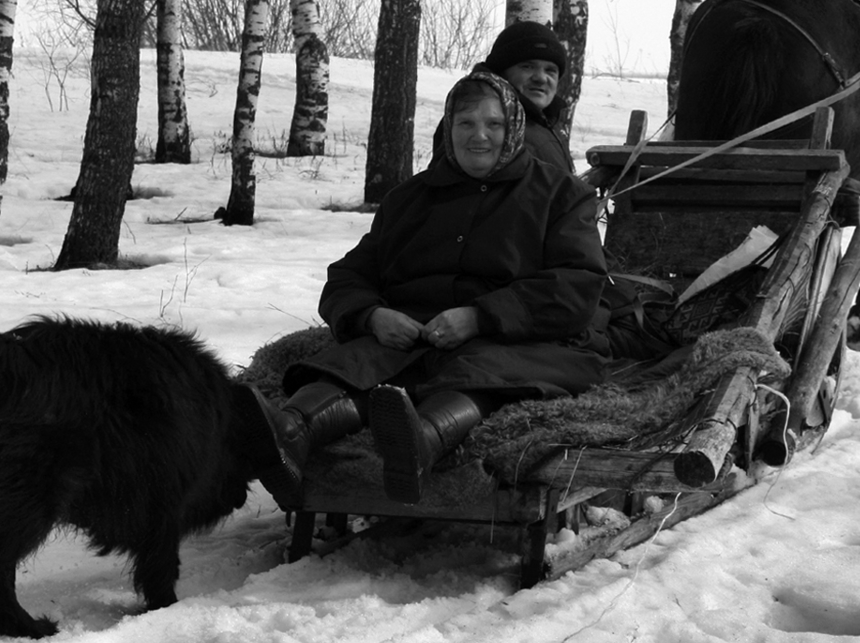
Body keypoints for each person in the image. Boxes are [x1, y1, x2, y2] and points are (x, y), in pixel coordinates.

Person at [253, 70, 608, 507]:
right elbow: (349, 275)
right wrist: (372, 315)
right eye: (466, 124)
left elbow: (578, 282)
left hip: (516, 338)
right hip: (414, 335)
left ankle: (418, 444)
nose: (480, 136)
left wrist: (480, 316)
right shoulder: (410, 199)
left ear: (513, 127)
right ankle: (286, 436)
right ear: (448, 128)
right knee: (357, 363)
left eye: (493, 124)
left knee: (484, 372)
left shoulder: (560, 195)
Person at [430, 20, 574, 173]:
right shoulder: (468, 118)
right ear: (501, 72)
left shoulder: (542, 122)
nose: (541, 78)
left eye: (550, 70)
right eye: (527, 66)